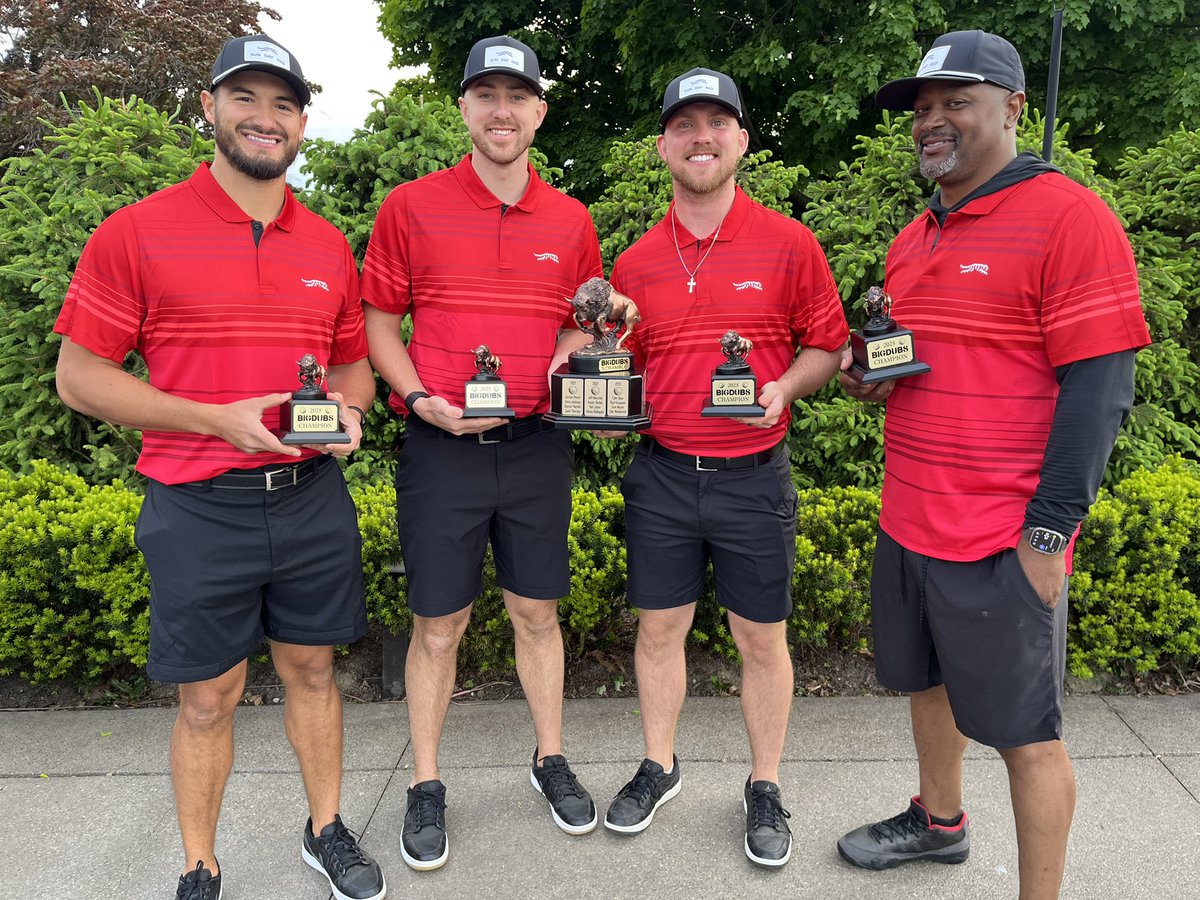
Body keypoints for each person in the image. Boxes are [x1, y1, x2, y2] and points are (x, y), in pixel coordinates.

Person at [53, 34, 386, 900]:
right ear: (209, 107)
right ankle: (200, 863)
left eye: (283, 104)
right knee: (209, 695)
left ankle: (325, 830)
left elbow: (352, 359)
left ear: (304, 122)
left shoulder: (325, 244)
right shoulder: (138, 231)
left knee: (313, 669)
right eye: (246, 98)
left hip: (311, 498)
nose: (264, 119)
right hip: (197, 505)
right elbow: (80, 377)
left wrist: (349, 410)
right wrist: (214, 421)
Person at [835, 30, 1151, 899]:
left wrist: (1050, 532)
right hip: (911, 518)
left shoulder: (1069, 216)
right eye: (922, 108)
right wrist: (872, 375)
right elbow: (925, 358)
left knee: (1027, 735)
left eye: (955, 103)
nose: (931, 121)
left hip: (1000, 534)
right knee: (926, 682)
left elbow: (1101, 389)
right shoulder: (915, 235)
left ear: (1013, 109)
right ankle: (939, 824)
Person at [359, 35, 603, 871]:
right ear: (463, 107)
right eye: (486, 96)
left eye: (518, 97)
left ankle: (549, 759)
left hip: (535, 445)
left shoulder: (571, 221)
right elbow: (378, 323)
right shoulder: (411, 206)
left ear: (539, 111)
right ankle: (426, 784)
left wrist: (574, 354)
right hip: (441, 450)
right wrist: (418, 398)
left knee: (537, 613)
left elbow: (581, 320)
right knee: (439, 626)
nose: (502, 111)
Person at [599, 67, 849, 867]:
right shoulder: (633, 263)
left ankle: (765, 785)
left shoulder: (790, 243)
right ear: (664, 145)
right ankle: (659, 764)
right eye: (684, 125)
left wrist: (780, 387)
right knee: (659, 628)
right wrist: (597, 380)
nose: (700, 137)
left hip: (752, 475)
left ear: (741, 139)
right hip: (663, 472)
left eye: (717, 123)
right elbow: (612, 365)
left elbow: (830, 344)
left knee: (759, 637)